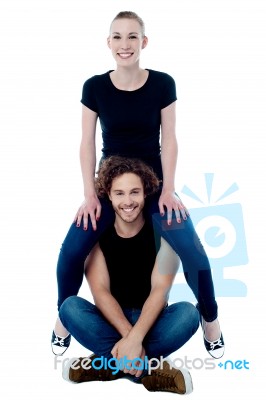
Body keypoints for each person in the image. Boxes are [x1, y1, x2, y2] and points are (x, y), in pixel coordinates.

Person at [52, 11, 224, 359]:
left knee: (193, 253)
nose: (125, 44)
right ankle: (62, 318)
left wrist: (169, 188)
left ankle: (210, 319)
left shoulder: (162, 83)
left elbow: (170, 138)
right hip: (110, 188)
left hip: (153, 186)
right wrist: (89, 193)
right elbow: (86, 142)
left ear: (143, 42)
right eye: (117, 37)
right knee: (71, 252)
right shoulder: (95, 87)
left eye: (132, 37)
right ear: (109, 43)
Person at [59, 156, 200, 395]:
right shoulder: (97, 237)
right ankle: (148, 371)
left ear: (145, 194)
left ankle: (107, 365)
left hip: (153, 320)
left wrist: (136, 338)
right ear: (109, 196)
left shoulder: (164, 233)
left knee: (189, 313)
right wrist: (130, 339)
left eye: (135, 192)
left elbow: (160, 290)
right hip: (110, 321)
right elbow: (100, 293)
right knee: (69, 308)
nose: (128, 201)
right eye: (120, 193)